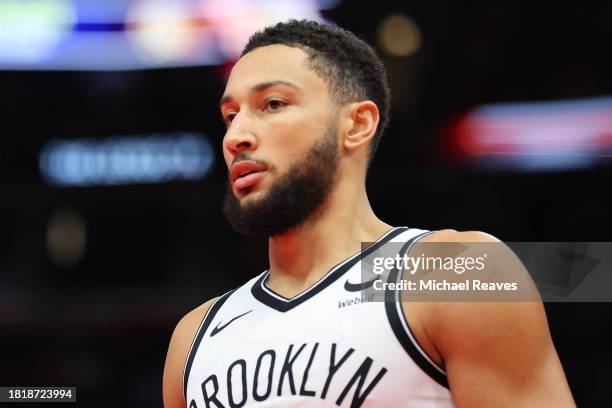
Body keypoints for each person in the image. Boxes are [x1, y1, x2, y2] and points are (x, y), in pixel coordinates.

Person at [163, 19, 575, 407]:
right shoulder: (194, 337)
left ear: (357, 125)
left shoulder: (454, 271)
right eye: (230, 116)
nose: (237, 136)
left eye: (272, 104)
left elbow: (580, 273)